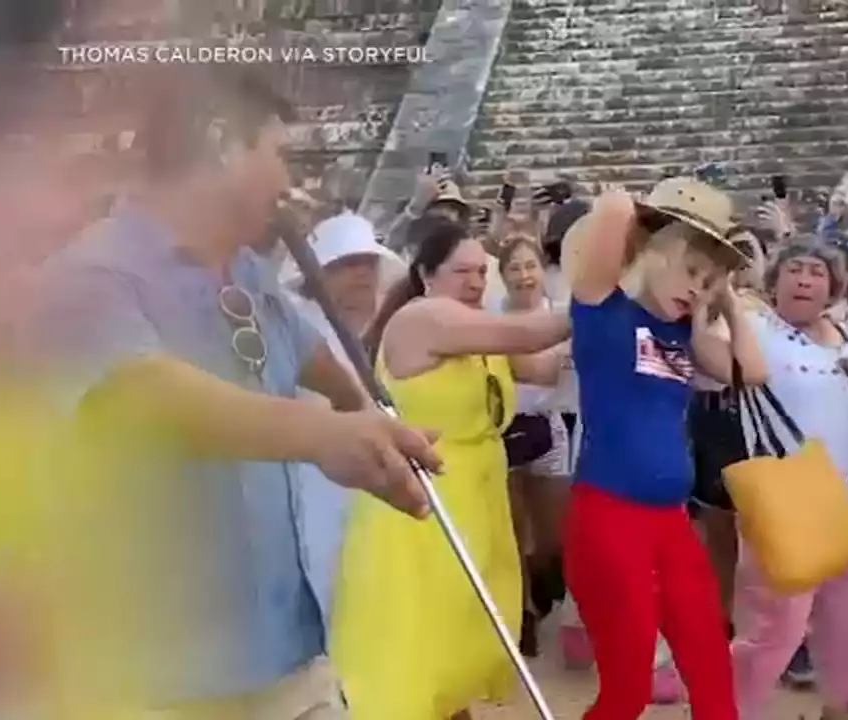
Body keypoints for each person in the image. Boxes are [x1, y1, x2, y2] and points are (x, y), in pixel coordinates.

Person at [31, 66, 439, 718]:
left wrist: (371, 415)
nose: (289, 183)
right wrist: (327, 437)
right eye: (278, 155)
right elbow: (146, 395)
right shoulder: (89, 276)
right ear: (221, 142)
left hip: (288, 667)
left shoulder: (250, 272)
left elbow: (310, 355)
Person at [331, 218, 570, 720]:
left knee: (464, 628)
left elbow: (546, 365)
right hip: (426, 502)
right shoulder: (423, 319)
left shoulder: (475, 331)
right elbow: (532, 333)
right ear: (425, 274)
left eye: (483, 272)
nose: (477, 283)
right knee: (430, 637)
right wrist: (605, 294)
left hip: (476, 493)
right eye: (463, 272)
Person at [562, 178, 768, 719]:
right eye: (691, 271)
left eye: (709, 280)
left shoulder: (685, 337)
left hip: (672, 524)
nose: (696, 288)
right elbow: (612, 207)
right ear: (652, 251)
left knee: (713, 678)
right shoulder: (601, 310)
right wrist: (660, 219)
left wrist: (727, 302)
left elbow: (753, 372)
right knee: (626, 692)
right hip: (609, 516)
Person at [730, 236, 848, 720]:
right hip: (785, 501)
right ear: (774, 282)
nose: (804, 279)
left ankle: (842, 709)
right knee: (776, 626)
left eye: (816, 271)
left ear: (834, 286)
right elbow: (717, 360)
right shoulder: (755, 328)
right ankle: (730, 708)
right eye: (794, 269)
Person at [280, 209, 406, 622]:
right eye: (349, 265)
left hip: (365, 487)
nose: (362, 275)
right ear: (321, 275)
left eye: (368, 264)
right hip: (313, 484)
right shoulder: (297, 327)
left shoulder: (373, 331)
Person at [493, 235, 575, 657]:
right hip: (502, 430)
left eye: (530, 266)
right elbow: (541, 368)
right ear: (502, 275)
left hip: (549, 427)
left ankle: (544, 586)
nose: (524, 276)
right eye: (514, 268)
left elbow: (544, 374)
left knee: (551, 538)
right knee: (514, 533)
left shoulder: (561, 316)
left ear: (542, 270)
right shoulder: (491, 318)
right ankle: (522, 613)